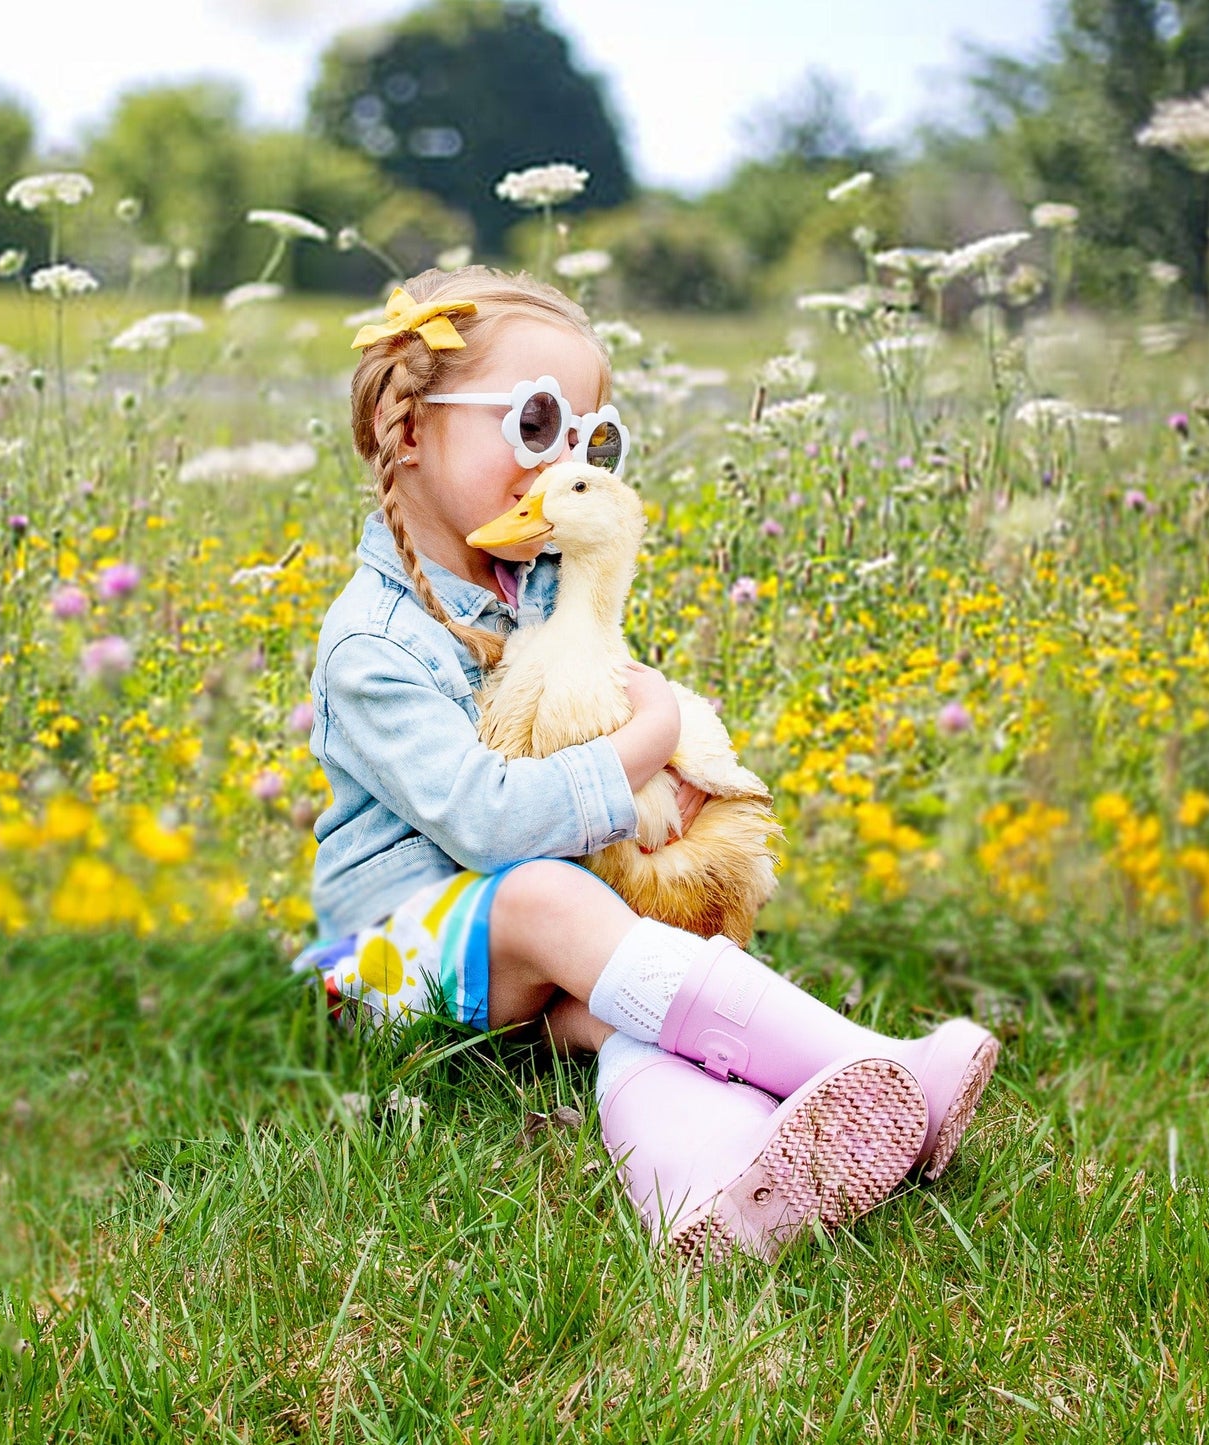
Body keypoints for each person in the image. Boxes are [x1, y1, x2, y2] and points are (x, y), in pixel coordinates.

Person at [296, 267, 999, 1263]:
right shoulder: (371, 642)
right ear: (407, 431)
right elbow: (485, 819)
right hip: (381, 963)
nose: (564, 464)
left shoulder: (536, 588)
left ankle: (710, 1186)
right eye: (534, 427)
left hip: (519, 961)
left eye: (591, 441)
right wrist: (645, 737)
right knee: (548, 896)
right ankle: (876, 1067)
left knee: (625, 998)